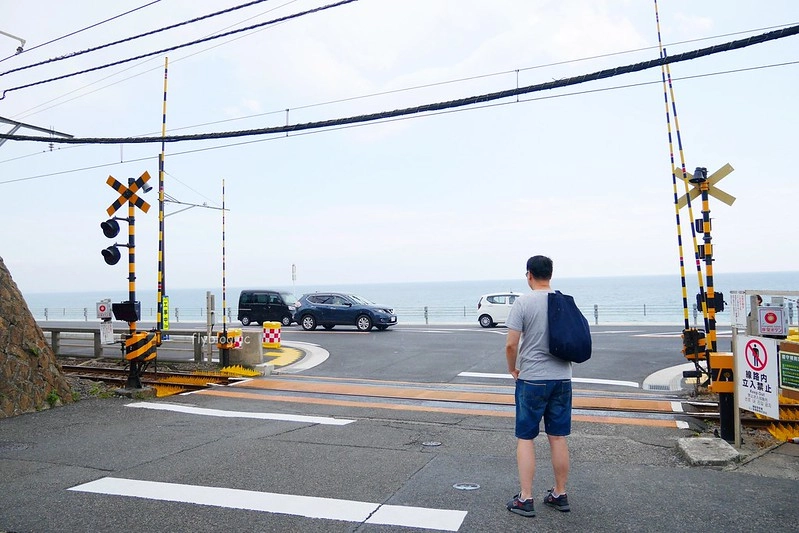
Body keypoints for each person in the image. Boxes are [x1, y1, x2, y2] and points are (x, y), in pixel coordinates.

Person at [505, 255, 572, 518]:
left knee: (526, 437)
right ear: (551, 274)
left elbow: (511, 344)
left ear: (529, 274)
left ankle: (526, 498)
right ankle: (560, 493)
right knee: (557, 437)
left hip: (532, 379)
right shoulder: (563, 301)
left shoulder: (523, 302)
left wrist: (513, 369)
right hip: (563, 378)